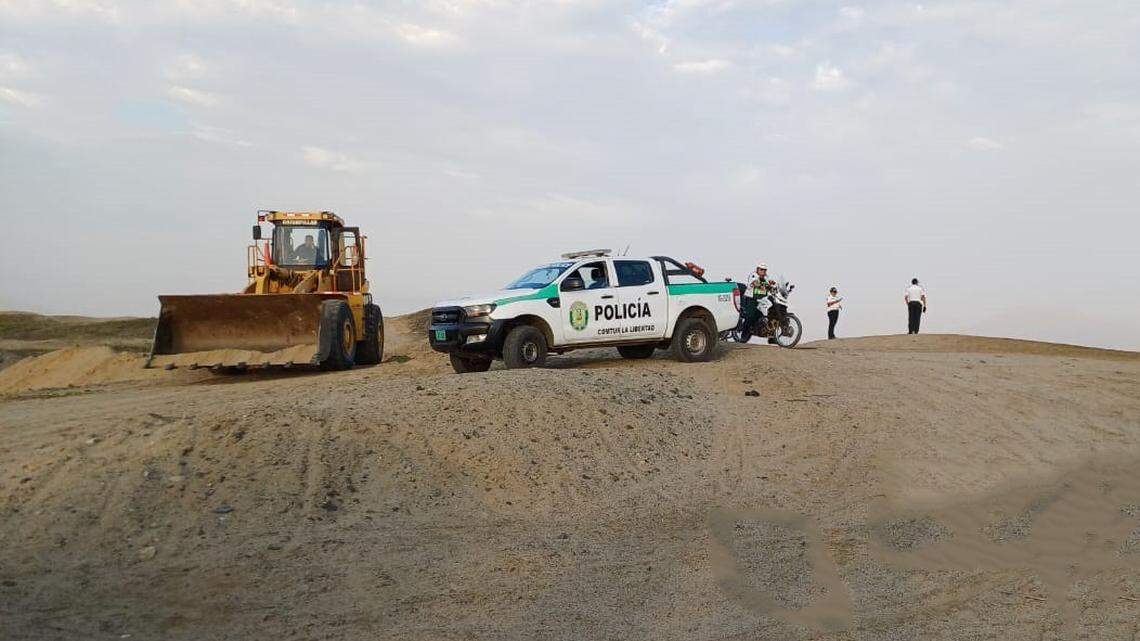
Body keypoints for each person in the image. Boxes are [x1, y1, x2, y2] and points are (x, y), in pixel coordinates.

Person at [743, 263, 774, 335]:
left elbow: (769, 284)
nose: (763, 271)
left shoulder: (766, 277)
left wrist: (773, 285)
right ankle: (744, 334)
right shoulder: (753, 275)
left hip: (762, 299)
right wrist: (760, 286)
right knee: (750, 316)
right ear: (758, 269)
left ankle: (773, 335)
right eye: (761, 269)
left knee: (770, 313)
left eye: (765, 270)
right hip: (752, 298)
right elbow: (755, 283)